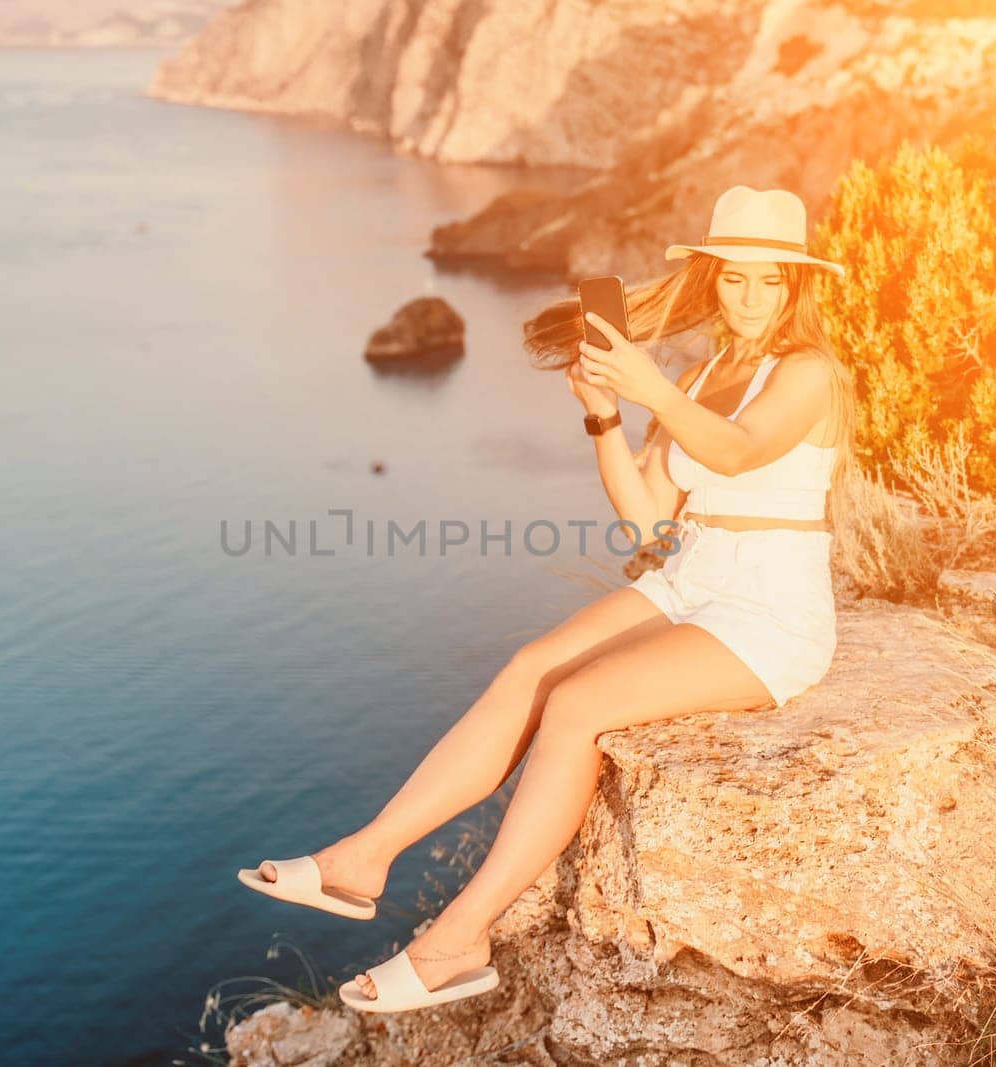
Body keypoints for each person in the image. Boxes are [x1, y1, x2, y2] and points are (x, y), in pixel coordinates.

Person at [236, 185, 859, 1014]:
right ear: (713, 279)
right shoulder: (709, 369)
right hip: (691, 574)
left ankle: (459, 939)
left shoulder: (810, 373)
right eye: (735, 278)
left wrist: (648, 386)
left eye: (768, 280)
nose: (750, 296)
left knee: (575, 706)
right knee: (531, 666)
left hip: (769, 608)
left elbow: (740, 453)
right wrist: (605, 415)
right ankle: (363, 859)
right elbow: (648, 517)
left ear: (795, 285)